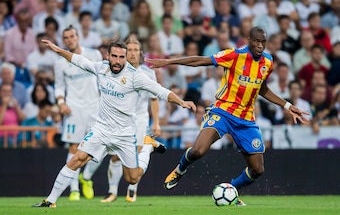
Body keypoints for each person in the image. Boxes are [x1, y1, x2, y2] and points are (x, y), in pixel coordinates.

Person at [145, 27, 309, 206]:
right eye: (256, 41)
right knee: (198, 150)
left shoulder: (268, 62)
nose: (260, 46)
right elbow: (201, 61)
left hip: (246, 119)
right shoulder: (234, 55)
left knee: (257, 169)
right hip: (223, 111)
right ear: (249, 40)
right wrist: (168, 62)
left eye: (263, 42)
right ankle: (180, 169)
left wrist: (287, 105)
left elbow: (262, 88)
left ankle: (231, 189)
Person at [33, 39, 196, 208]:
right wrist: (58, 50)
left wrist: (182, 102)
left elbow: (161, 91)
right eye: (114, 56)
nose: (118, 61)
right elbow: (79, 60)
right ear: (108, 56)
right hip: (101, 130)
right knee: (76, 159)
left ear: (125, 57)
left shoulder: (135, 76)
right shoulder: (101, 68)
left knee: (132, 178)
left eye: (121, 57)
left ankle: (147, 148)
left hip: (125, 134)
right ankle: (50, 201)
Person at [79, 38, 162, 203]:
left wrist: (157, 122)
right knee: (116, 157)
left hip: (139, 119)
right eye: (129, 50)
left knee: (135, 155)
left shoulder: (148, 73)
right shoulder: (116, 71)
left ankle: (132, 190)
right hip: (119, 121)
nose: (132, 53)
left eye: (135, 50)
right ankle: (112, 192)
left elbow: (154, 98)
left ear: (140, 53)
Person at [54, 26, 103, 201]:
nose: (69, 40)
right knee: (74, 149)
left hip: (95, 107)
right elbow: (59, 86)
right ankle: (74, 189)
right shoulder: (60, 62)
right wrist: (61, 103)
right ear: (63, 40)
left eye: (71, 36)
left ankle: (86, 177)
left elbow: (102, 78)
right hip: (73, 109)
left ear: (78, 37)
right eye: (65, 37)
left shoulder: (94, 55)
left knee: (99, 147)